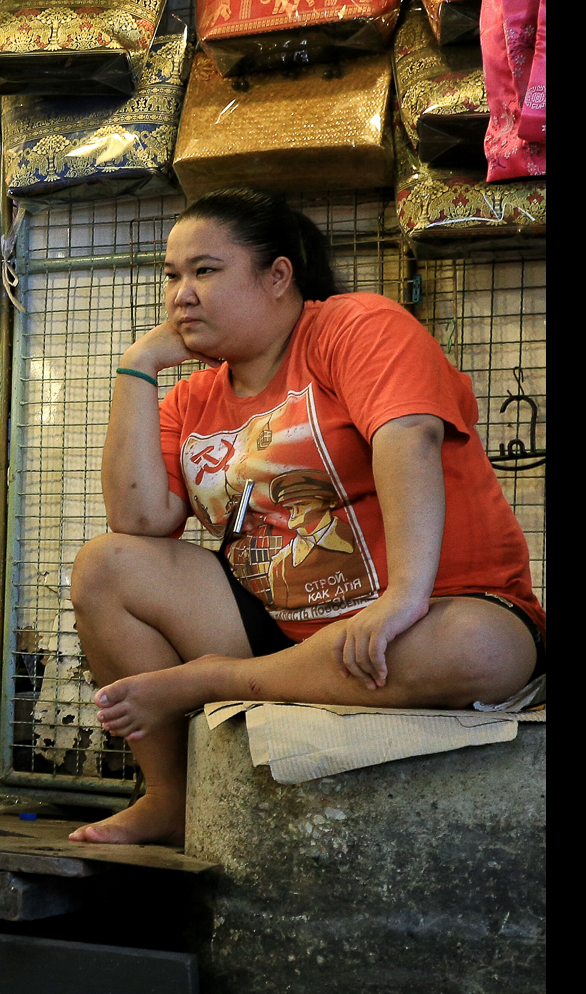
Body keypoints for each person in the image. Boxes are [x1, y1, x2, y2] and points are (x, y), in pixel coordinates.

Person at [67, 187, 543, 846]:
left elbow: (410, 439)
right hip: (289, 636)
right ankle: (170, 799)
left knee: (483, 649)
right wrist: (137, 365)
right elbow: (139, 519)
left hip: (426, 616)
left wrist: (402, 598)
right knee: (105, 567)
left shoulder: (356, 326)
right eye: (172, 276)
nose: (181, 294)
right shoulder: (192, 400)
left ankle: (216, 683)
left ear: (278, 276)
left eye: (206, 271)